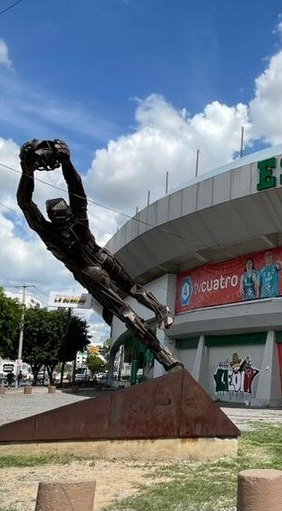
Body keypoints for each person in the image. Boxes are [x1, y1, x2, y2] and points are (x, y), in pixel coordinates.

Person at [17, 138, 181, 371]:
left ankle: (164, 351)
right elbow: (75, 190)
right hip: (96, 263)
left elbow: (27, 202)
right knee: (132, 296)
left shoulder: (49, 231)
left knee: (126, 312)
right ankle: (162, 323)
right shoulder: (76, 220)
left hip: (91, 267)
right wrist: (64, 162)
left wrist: (30, 171)